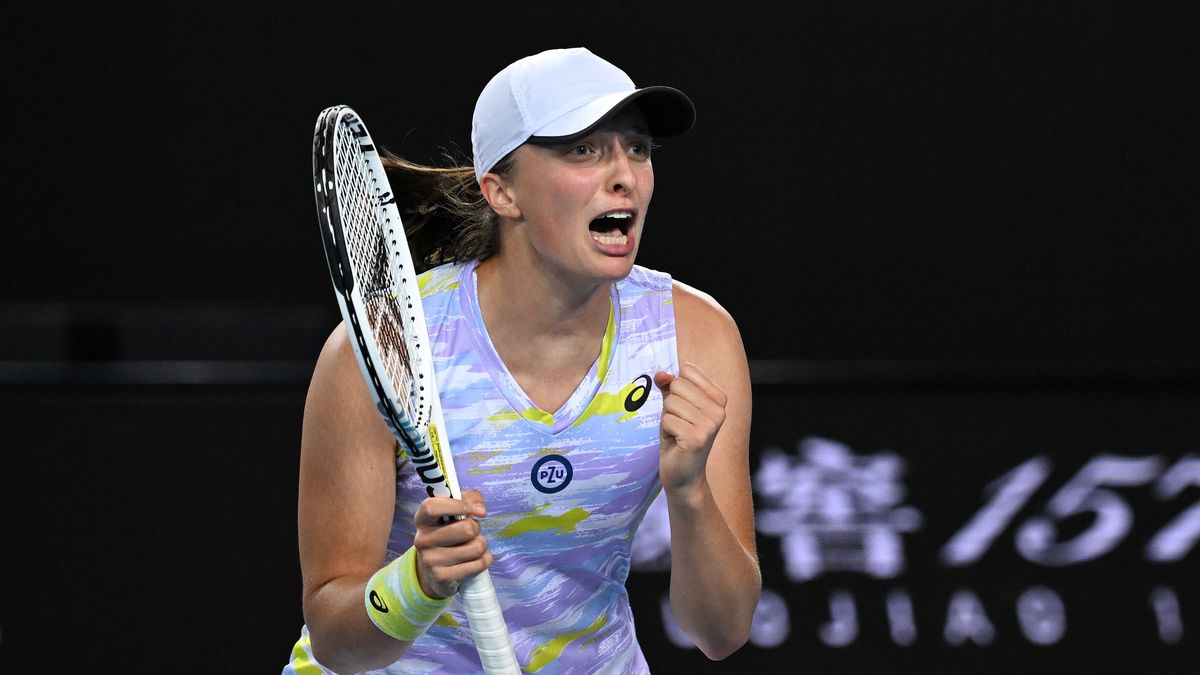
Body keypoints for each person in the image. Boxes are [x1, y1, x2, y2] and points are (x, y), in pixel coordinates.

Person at [284, 47, 759, 674]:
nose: (625, 176)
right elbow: (336, 641)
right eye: (583, 150)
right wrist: (416, 585)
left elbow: (721, 632)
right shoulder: (387, 345)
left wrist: (691, 491)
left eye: (637, 149)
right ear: (502, 191)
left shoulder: (695, 338)